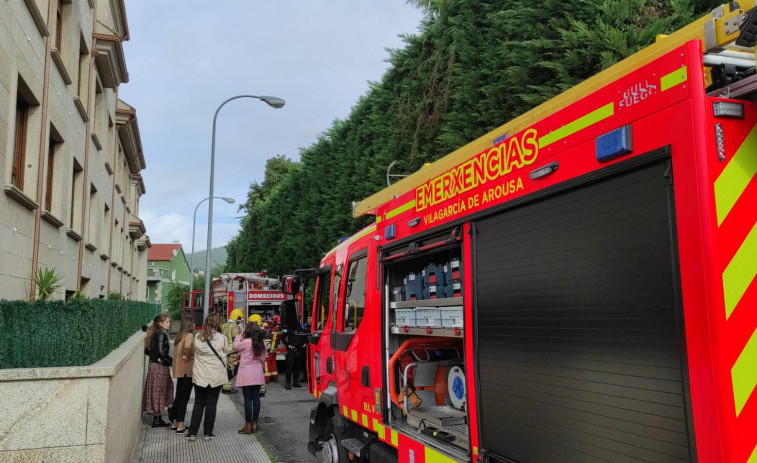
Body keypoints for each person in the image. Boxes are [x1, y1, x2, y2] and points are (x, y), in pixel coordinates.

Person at [186, 314, 229, 442]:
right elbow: (226, 352)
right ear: (218, 324)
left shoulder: (197, 337)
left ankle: (192, 433)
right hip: (216, 376)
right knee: (211, 404)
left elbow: (193, 352)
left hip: (200, 376)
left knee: (198, 403)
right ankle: (207, 433)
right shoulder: (222, 338)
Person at [232, 322, 267, 434]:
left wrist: (240, 335)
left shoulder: (246, 342)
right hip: (257, 373)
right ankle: (254, 424)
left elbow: (235, 346)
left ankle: (247, 425)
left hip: (246, 374)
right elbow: (263, 358)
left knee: (248, 399)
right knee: (256, 398)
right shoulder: (262, 343)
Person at [143, 314, 174, 427]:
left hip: (154, 365)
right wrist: (172, 362)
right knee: (162, 390)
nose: (169, 324)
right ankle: (160, 418)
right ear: (160, 323)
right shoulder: (161, 334)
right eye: (167, 322)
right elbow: (161, 352)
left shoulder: (154, 333)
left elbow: (147, 350)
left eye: (169, 322)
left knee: (158, 391)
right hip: (160, 366)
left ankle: (158, 418)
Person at [171, 318, 194, 433]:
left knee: (178, 397)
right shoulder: (189, 335)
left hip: (179, 371)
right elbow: (188, 348)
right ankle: (181, 425)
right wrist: (188, 356)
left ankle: (175, 422)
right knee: (184, 399)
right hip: (187, 371)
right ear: (190, 325)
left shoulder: (179, 336)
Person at [280, 300, 308, 390]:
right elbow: (282, 337)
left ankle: (295, 382)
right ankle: (288, 383)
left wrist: (304, 343)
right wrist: (287, 345)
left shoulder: (301, 328)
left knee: (297, 367)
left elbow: (305, 337)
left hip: (299, 350)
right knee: (290, 367)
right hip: (292, 350)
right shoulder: (290, 329)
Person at [221, 309, 244, 394]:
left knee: (226, 369)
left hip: (224, 351)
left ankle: (225, 386)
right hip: (232, 352)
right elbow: (236, 340)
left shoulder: (224, 325)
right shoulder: (235, 327)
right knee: (231, 370)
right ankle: (227, 388)